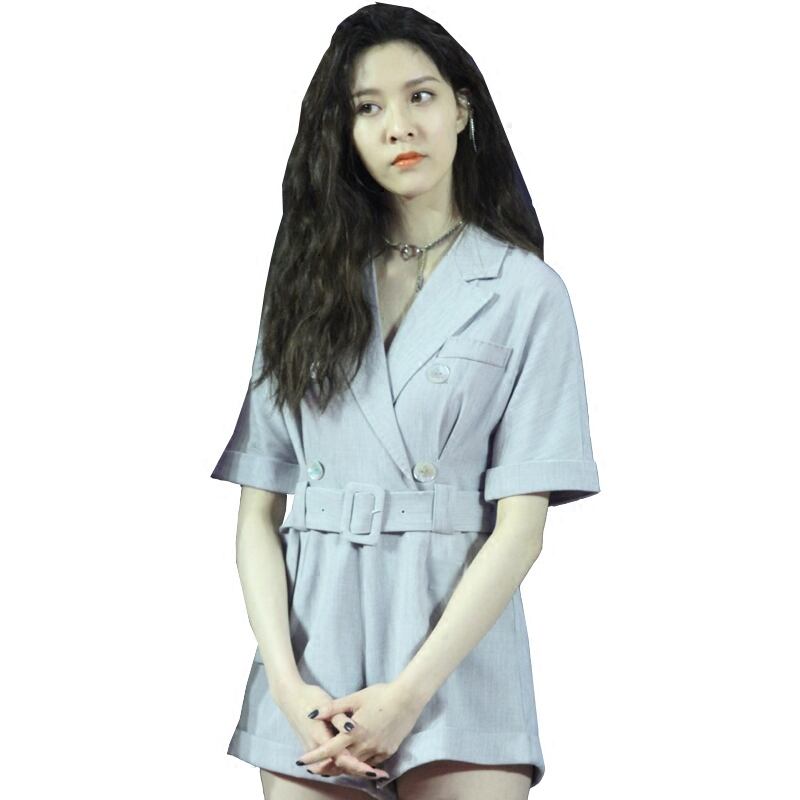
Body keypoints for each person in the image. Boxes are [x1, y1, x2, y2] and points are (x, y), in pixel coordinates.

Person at [210, 4, 600, 799]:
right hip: (311, 672)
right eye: (368, 107)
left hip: (456, 666)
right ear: (344, 132)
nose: (399, 126)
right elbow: (257, 514)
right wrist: (287, 686)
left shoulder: (525, 292)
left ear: (462, 107)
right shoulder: (303, 285)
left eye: (420, 96)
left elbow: (521, 531)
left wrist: (408, 697)